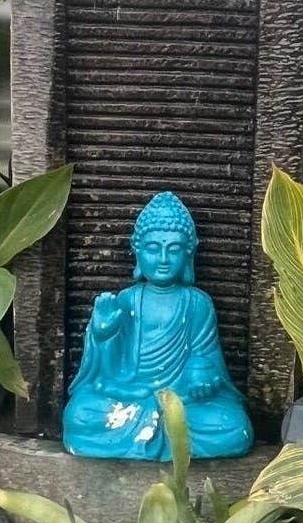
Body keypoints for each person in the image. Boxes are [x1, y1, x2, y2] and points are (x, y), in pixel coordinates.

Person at [62, 192, 254, 460]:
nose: (163, 258)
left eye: (174, 249)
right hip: (130, 395)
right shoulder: (126, 299)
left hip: (181, 399)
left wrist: (202, 377)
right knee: (80, 414)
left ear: (189, 253)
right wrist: (102, 334)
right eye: (153, 248)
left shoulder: (197, 303)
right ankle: (167, 436)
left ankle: (151, 433)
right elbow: (107, 372)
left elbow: (207, 359)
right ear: (137, 251)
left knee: (232, 426)